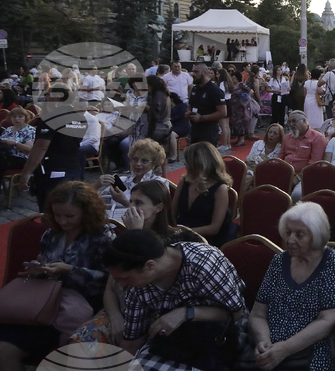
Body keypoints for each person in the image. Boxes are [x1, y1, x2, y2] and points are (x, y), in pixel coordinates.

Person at [0, 182, 113, 367]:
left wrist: (69, 270)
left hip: (69, 310)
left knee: (2, 352)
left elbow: (111, 280)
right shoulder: (51, 234)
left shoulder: (101, 236)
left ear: (87, 212)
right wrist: (38, 269)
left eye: (70, 216)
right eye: (57, 215)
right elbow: (45, 263)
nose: (63, 221)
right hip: (39, 301)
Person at [69, 181, 204, 344]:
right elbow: (112, 286)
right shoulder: (124, 240)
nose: (130, 207)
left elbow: (156, 283)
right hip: (123, 308)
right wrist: (115, 317)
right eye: (130, 201)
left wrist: (136, 235)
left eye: (138, 203)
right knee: (80, 341)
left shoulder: (182, 238)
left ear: (158, 208)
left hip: (160, 313)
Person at [101, 229, 247, 371]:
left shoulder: (202, 263)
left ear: (149, 265)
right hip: (175, 339)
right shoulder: (136, 287)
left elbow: (236, 313)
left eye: (124, 278)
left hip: (221, 333)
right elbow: (133, 339)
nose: (121, 285)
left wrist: (186, 314)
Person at [250, 202, 335, 371]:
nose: (290, 240)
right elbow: (258, 314)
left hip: (309, 351)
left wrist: (285, 349)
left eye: (299, 235)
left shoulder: (332, 263)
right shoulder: (279, 261)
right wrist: (264, 343)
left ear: (316, 235)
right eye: (288, 232)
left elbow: (327, 321)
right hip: (269, 350)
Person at [16, 85, 87, 211]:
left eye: (48, 94)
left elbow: (40, 147)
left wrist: (26, 173)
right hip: (74, 168)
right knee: (70, 207)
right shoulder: (81, 118)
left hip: (52, 170)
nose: (46, 97)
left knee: (50, 210)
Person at [171, 142, 235, 247]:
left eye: (187, 160)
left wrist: (185, 232)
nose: (185, 163)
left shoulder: (220, 189)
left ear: (199, 163)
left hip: (206, 240)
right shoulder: (185, 181)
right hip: (180, 235)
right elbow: (172, 213)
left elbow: (214, 228)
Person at [97, 139, 171, 207]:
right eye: (135, 159)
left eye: (144, 161)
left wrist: (124, 202)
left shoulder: (159, 183)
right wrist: (97, 185)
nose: (138, 164)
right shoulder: (122, 181)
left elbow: (154, 214)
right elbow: (94, 202)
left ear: (154, 164)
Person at [282, 111, 328, 200]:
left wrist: (297, 178)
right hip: (285, 173)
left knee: (297, 194)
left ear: (304, 121)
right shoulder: (287, 137)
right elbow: (280, 158)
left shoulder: (317, 138)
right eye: (289, 122)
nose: (291, 124)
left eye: (294, 121)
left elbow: (314, 163)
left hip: (306, 176)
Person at [188, 64, 227, 147]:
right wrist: (188, 113)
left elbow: (223, 113)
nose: (193, 74)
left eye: (196, 72)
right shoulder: (195, 89)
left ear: (205, 72)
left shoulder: (214, 90)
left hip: (208, 132)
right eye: (193, 71)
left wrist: (201, 118)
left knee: (206, 157)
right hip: (195, 130)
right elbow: (191, 105)